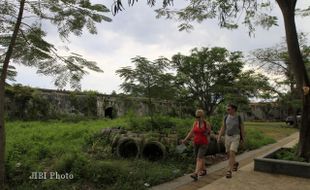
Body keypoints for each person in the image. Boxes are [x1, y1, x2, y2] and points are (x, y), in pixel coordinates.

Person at [182, 109, 211, 181]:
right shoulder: (195, 123)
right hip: (196, 143)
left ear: (202, 116)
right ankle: (203, 170)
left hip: (204, 143)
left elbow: (208, 133)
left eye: (199, 116)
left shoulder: (206, 123)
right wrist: (185, 139)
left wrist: (205, 131)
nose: (197, 118)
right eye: (196, 116)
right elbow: (191, 132)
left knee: (199, 158)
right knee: (200, 158)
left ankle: (195, 173)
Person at [217, 104, 245, 179]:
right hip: (227, 137)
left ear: (234, 110)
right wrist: (219, 137)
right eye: (227, 109)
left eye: (229, 109)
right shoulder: (226, 117)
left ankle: (229, 171)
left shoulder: (238, 117)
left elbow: (242, 128)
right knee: (229, 154)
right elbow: (223, 127)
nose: (227, 110)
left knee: (232, 151)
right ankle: (235, 163)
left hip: (236, 136)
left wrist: (243, 139)